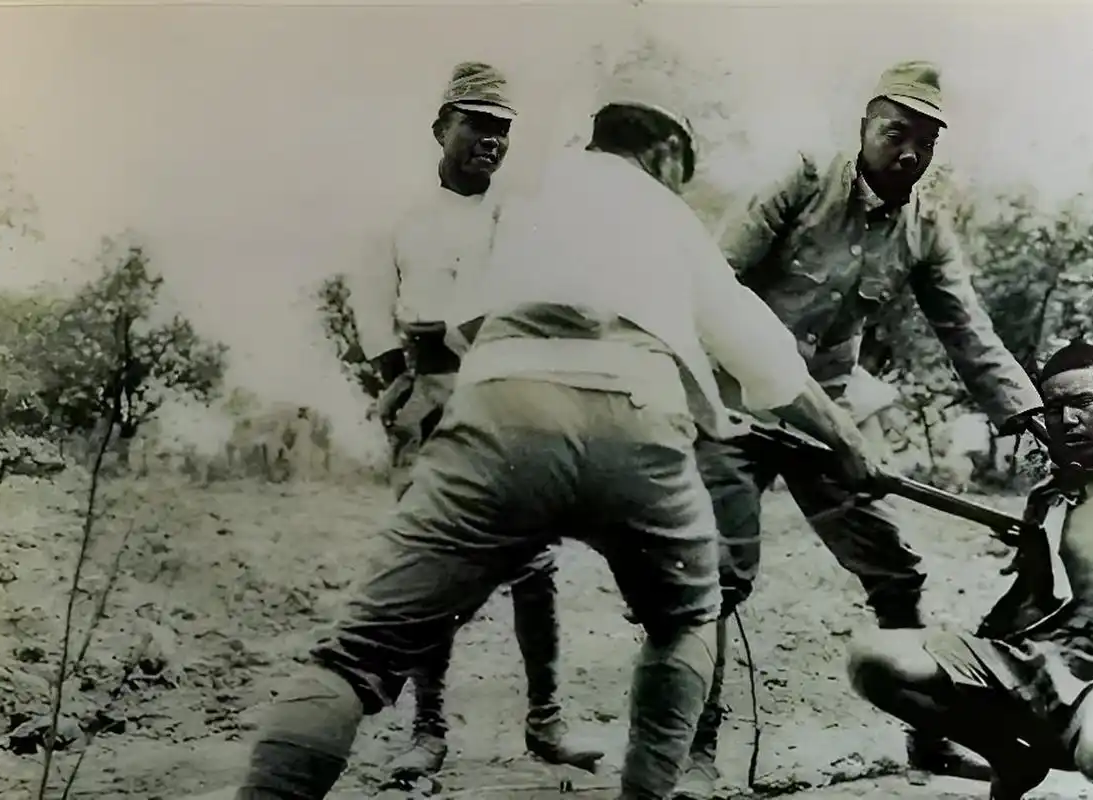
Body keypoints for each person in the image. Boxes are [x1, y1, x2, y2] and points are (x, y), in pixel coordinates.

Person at [236, 93, 885, 800]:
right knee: (687, 620)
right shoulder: (671, 217)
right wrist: (847, 444)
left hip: (505, 412)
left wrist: (418, 383)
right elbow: (763, 355)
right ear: (667, 150)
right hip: (636, 420)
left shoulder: (516, 198)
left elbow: (444, 321)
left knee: (354, 657)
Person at [672, 60, 1045, 797]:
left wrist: (1027, 416)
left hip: (823, 424)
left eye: (924, 140)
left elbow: (966, 330)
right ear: (863, 129)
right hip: (733, 410)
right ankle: (695, 754)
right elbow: (714, 286)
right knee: (717, 581)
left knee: (895, 572)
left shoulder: (924, 229)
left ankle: (928, 742)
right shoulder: (803, 181)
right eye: (894, 133)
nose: (908, 152)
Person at [844, 341, 1093, 800]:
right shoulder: (1050, 495)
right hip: (1033, 663)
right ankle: (1009, 756)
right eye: (1054, 408)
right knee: (875, 659)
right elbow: (1030, 597)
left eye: (1083, 402)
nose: (1067, 419)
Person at [349, 61, 601, 778]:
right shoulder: (400, 221)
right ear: (440, 128)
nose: (491, 142)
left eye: (502, 131)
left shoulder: (519, 217)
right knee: (432, 565)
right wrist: (400, 383)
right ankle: (426, 730)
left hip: (509, 391)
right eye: (477, 126)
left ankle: (546, 724)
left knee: (536, 563)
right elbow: (376, 309)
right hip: (430, 391)